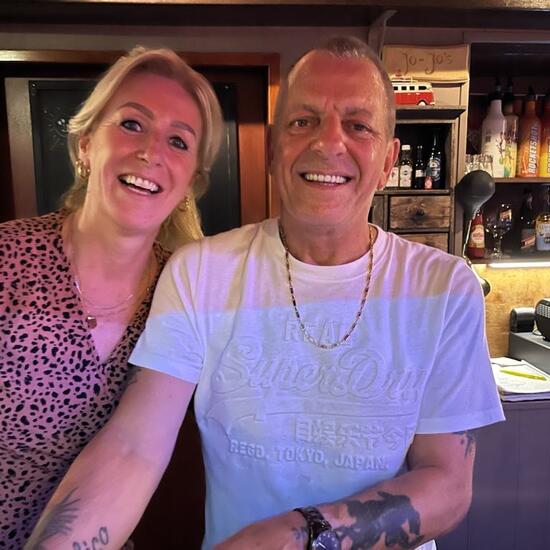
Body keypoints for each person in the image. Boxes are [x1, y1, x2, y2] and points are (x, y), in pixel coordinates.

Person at [27, 36, 504, 550]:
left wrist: (300, 534)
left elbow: (447, 484)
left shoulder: (444, 287)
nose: (327, 142)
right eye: (303, 121)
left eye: (357, 125)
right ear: (275, 148)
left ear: (388, 161)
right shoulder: (200, 273)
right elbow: (133, 447)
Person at [0, 45, 222, 549]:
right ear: (85, 145)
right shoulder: (8, 257)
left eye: (178, 141)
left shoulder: (184, 291)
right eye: (131, 124)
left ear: (192, 181)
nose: (151, 153)